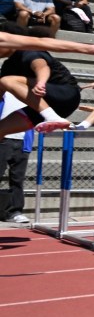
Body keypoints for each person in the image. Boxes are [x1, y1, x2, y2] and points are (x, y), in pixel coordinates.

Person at [0, 93, 33, 224]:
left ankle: (14, 212)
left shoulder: (30, 93)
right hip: (3, 138)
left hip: (22, 141)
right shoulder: (5, 87)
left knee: (17, 180)